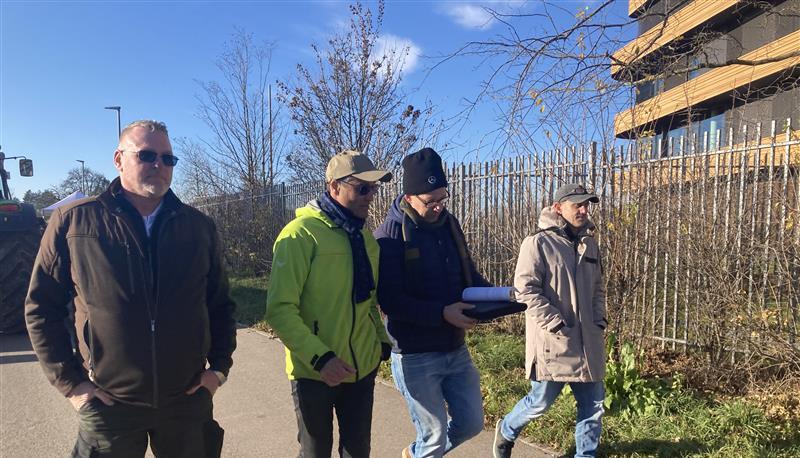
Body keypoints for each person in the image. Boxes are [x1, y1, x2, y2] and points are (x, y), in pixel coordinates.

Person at [25, 119, 237, 458]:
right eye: (147, 155)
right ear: (119, 159)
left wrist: (219, 370)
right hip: (110, 404)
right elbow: (41, 308)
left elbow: (220, 305)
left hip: (185, 400)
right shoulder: (74, 222)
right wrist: (71, 384)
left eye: (168, 159)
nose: (159, 165)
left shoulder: (198, 227)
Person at [265, 150, 393, 458]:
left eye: (374, 188)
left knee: (358, 451)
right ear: (334, 186)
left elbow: (368, 297)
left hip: (361, 368)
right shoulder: (299, 235)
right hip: (314, 372)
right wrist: (321, 359)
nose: (370, 196)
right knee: (315, 452)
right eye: (362, 188)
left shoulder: (365, 237)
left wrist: (379, 340)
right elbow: (280, 310)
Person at [374, 147, 490, 458]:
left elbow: (468, 274)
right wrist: (442, 314)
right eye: (431, 201)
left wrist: (499, 297)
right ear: (409, 196)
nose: (439, 207)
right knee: (434, 435)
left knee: (471, 423)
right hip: (415, 354)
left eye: (443, 199)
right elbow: (390, 301)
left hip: (455, 348)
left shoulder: (450, 225)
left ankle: (416, 453)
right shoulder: (389, 237)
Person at [493, 183, 607, 458]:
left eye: (586, 204)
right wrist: (554, 321)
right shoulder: (538, 243)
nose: (583, 210)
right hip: (554, 340)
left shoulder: (589, 244)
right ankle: (507, 430)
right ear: (558, 208)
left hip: (588, 341)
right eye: (576, 205)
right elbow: (525, 291)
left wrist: (599, 317)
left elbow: (599, 286)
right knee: (540, 402)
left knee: (593, 406)